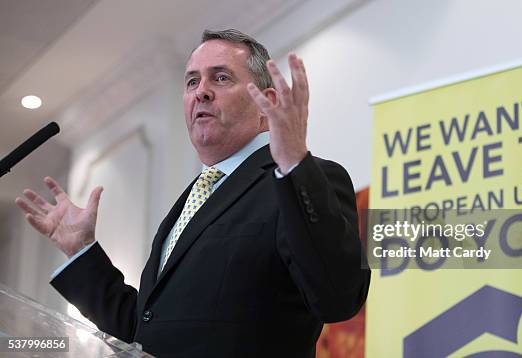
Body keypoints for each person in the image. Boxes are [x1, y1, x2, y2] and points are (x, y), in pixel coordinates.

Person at [15, 29, 370, 357]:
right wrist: (82, 252)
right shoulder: (189, 202)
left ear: (267, 104)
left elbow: (338, 297)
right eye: (191, 81)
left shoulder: (307, 179)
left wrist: (295, 164)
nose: (200, 91)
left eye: (220, 77)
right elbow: (144, 330)